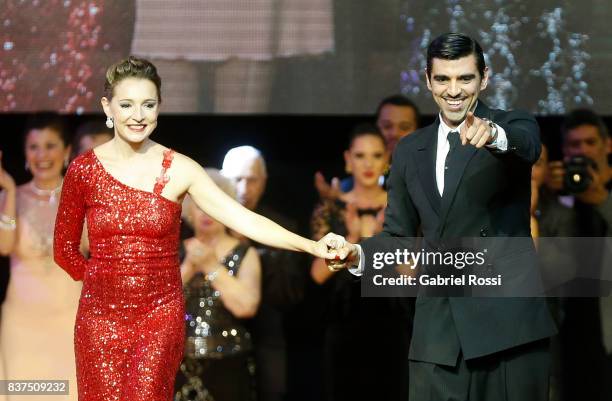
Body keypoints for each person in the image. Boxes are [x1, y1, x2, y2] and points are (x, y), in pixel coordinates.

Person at [52, 56, 341, 401]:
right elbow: (64, 250)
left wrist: (311, 246)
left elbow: (241, 218)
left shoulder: (180, 168)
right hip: (99, 319)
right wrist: (103, 286)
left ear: (160, 107)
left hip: (158, 316)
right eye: (126, 104)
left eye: (148, 104)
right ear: (107, 107)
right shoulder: (83, 170)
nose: (138, 115)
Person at [332, 33, 556, 401]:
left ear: (484, 79)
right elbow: (398, 236)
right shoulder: (409, 150)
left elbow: (526, 146)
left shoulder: (512, 126)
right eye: (443, 79)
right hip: (438, 332)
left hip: (508, 327)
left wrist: (495, 136)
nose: (454, 91)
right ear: (427, 80)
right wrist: (357, 254)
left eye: (465, 78)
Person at [311, 124, 410, 401]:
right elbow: (318, 274)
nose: (368, 164)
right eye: (360, 155)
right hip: (343, 325)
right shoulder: (330, 209)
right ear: (347, 160)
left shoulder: (400, 206)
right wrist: (352, 236)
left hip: (391, 324)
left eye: (376, 155)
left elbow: (410, 274)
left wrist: (380, 237)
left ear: (387, 159)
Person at [0, 114, 81, 401]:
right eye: (34, 147)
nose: (42, 155)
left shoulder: (82, 199)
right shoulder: (12, 197)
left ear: (67, 151)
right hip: (22, 325)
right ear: (24, 153)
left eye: (50, 145)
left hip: (69, 322)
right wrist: (8, 191)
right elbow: (4, 246)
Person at [221, 146, 306, 401]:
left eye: (252, 180)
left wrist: (254, 254)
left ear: (264, 182)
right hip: (215, 342)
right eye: (237, 179)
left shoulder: (283, 230)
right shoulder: (207, 226)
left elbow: (290, 296)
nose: (244, 190)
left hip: (266, 341)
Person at [175, 169, 261, 401]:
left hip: (228, 365)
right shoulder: (175, 251)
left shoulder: (245, 253)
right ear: (189, 210)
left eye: (214, 204)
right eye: (200, 204)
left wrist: (212, 266)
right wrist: (188, 269)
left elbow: (246, 307)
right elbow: (153, 309)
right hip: (177, 365)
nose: (207, 212)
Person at [544, 109, 611, 401]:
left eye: (589, 142)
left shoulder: (605, 195)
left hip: (606, 327)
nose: (582, 151)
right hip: (565, 328)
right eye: (573, 145)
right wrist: (546, 193)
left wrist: (601, 200)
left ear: (607, 145)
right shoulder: (557, 193)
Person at [315, 94, 420, 198]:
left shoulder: (430, 180)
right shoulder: (346, 189)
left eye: (404, 127)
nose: (394, 134)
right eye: (387, 126)